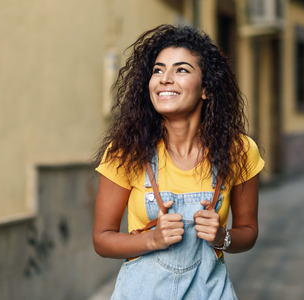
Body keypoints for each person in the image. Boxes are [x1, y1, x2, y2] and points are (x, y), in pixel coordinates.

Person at [93, 24, 264, 299]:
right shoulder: (126, 151)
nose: (164, 78)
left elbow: (249, 232)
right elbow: (101, 239)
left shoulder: (239, 150)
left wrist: (222, 237)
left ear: (206, 88)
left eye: (181, 70)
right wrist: (151, 239)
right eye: (158, 70)